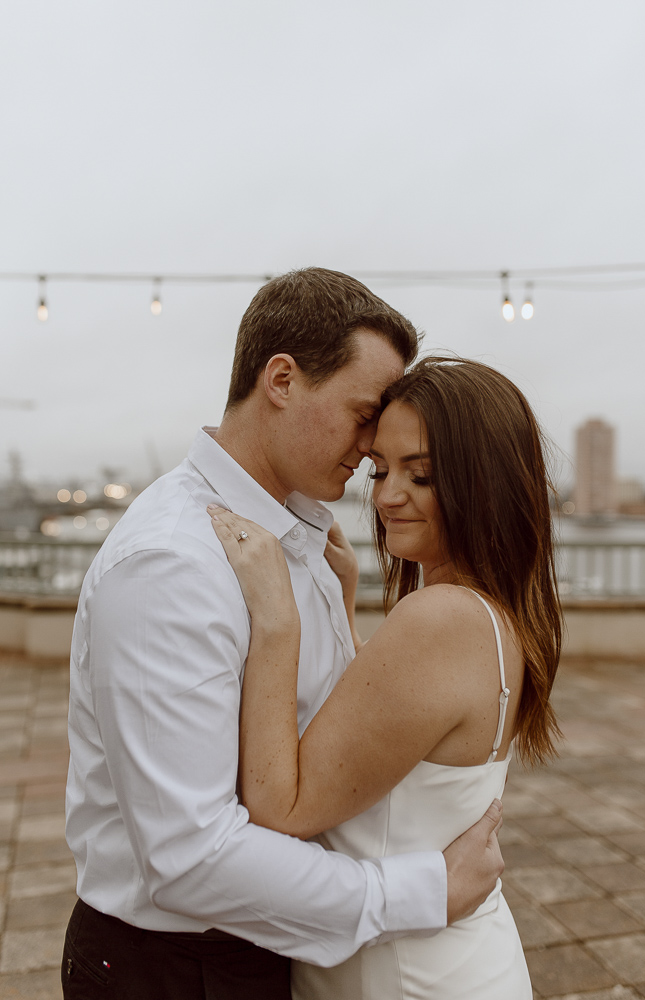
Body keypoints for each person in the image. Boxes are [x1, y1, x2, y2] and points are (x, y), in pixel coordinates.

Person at [62, 270, 505, 1000]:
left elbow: (325, 727)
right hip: (176, 967)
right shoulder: (172, 563)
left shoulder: (299, 531)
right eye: (363, 414)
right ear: (281, 380)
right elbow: (190, 855)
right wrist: (419, 892)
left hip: (273, 941)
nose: (370, 451)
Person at [208, 355, 563, 999]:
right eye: (380, 469)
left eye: (419, 475)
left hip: (403, 976)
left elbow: (278, 806)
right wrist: (343, 608)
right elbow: (395, 729)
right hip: (449, 960)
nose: (385, 495)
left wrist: (278, 620)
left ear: (483, 483)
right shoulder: (489, 612)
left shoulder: (439, 620)